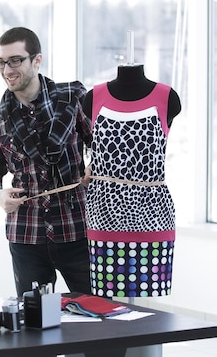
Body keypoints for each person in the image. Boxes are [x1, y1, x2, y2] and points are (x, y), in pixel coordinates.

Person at [0, 27, 92, 297]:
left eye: (15, 60)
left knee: (98, 313)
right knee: (35, 325)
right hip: (26, 235)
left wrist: (94, 168)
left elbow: (101, 144)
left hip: (77, 228)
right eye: (1, 63)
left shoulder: (73, 98)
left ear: (36, 60)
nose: (7, 70)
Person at [82, 64, 181, 297]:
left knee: (150, 304)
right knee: (106, 301)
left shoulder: (167, 97)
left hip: (153, 214)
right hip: (104, 213)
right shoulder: (94, 97)